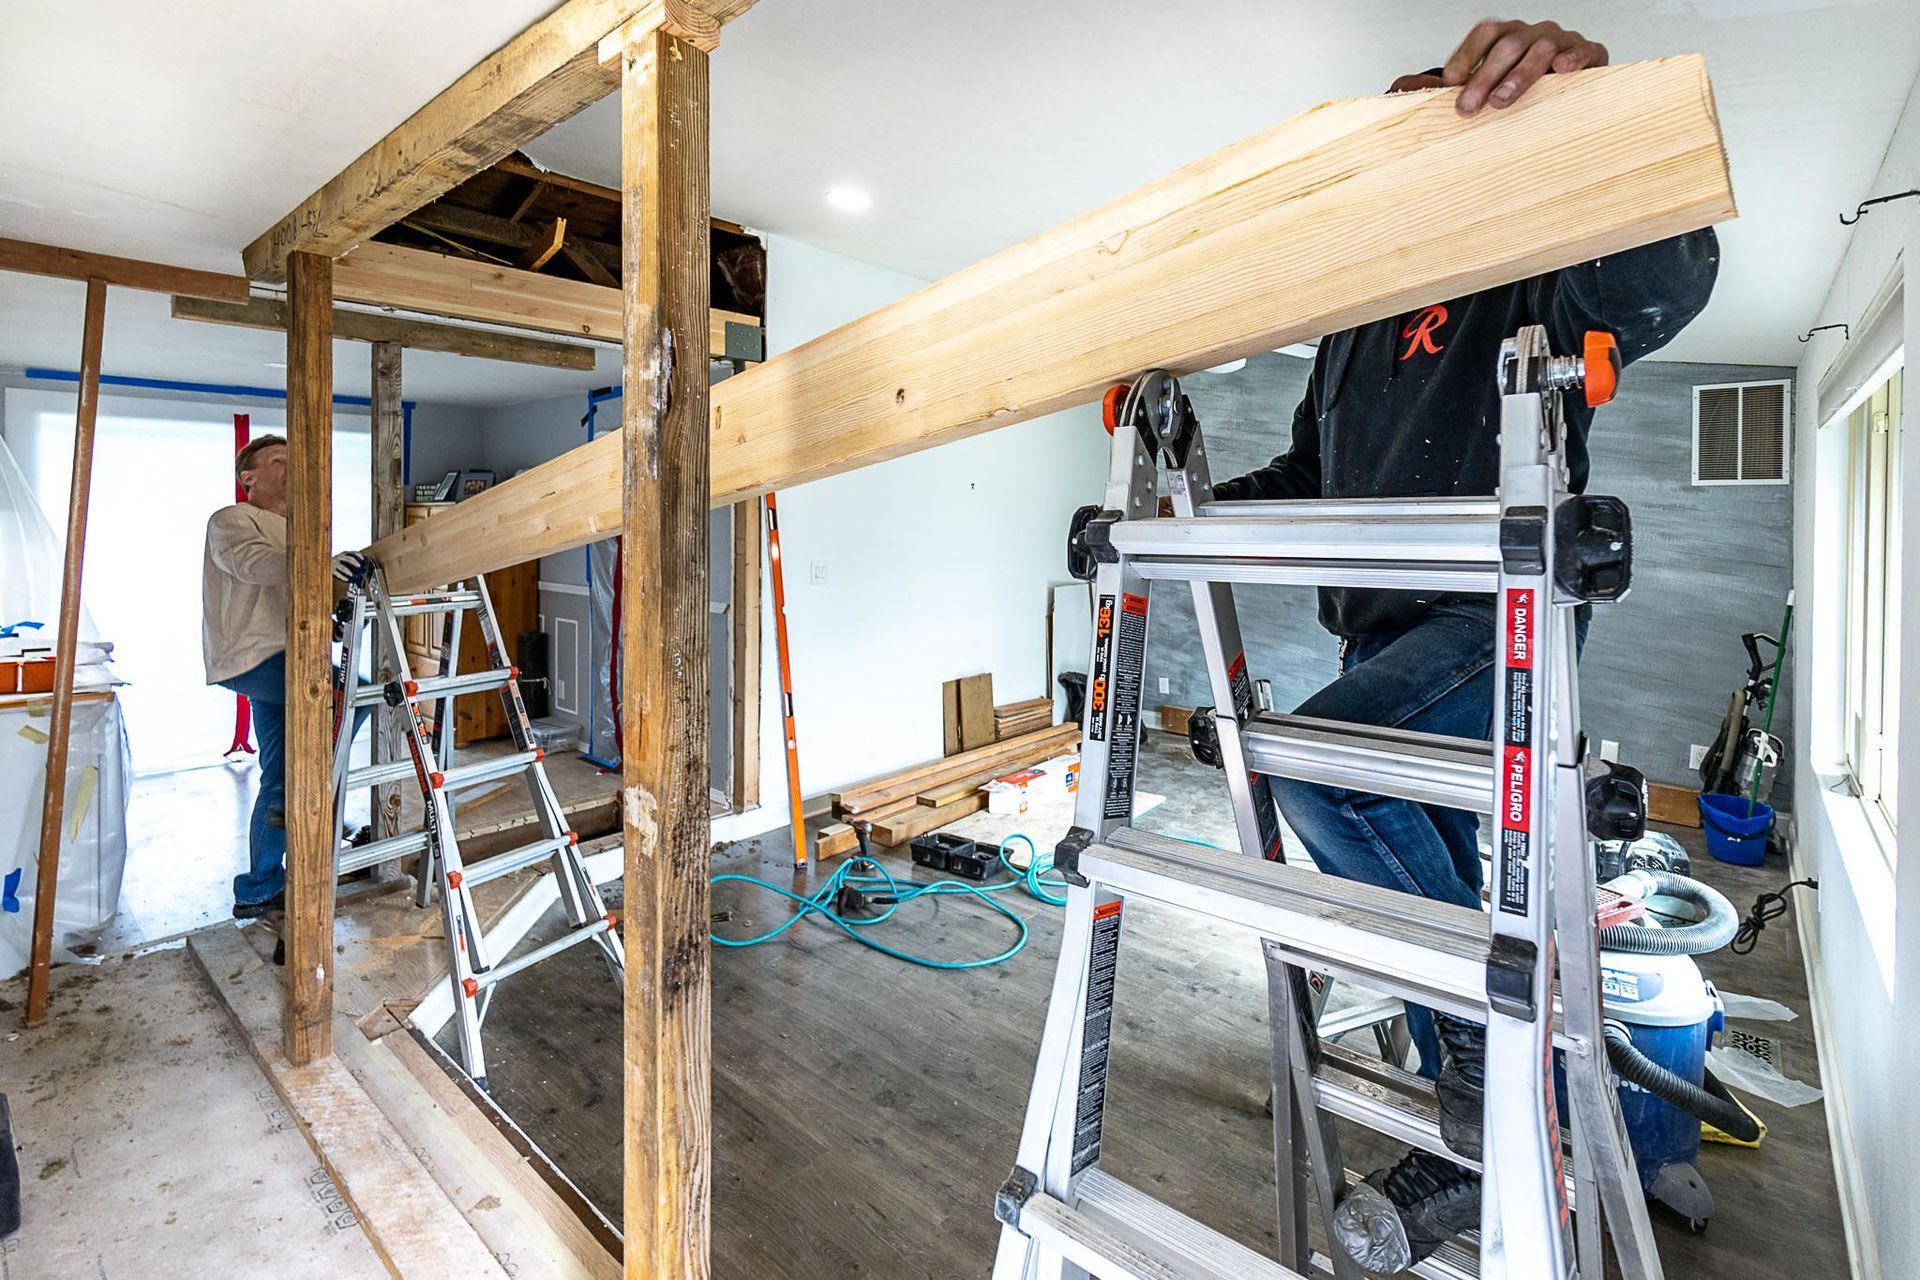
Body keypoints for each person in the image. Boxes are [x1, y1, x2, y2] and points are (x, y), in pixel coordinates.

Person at [1205, 20, 1721, 1270]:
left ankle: (1499, 1083)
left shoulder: (1512, 266)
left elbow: (1667, 273)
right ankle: (1489, 1083)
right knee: (1395, 822)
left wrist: (1594, 125)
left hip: (1498, 621)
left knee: (1319, 766)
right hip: (1388, 632)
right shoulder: (1347, 330)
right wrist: (1189, 512)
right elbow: (1311, 475)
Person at [202, 434, 365, 918]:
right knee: (356, 701)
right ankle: (312, 813)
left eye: (297, 458)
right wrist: (319, 564)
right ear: (247, 477)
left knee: (280, 774)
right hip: (258, 656)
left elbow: (305, 591)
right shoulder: (232, 521)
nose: (292, 466)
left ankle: (258, 888)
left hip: (295, 653)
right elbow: (254, 565)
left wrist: (335, 596)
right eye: (279, 460)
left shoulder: (302, 530)